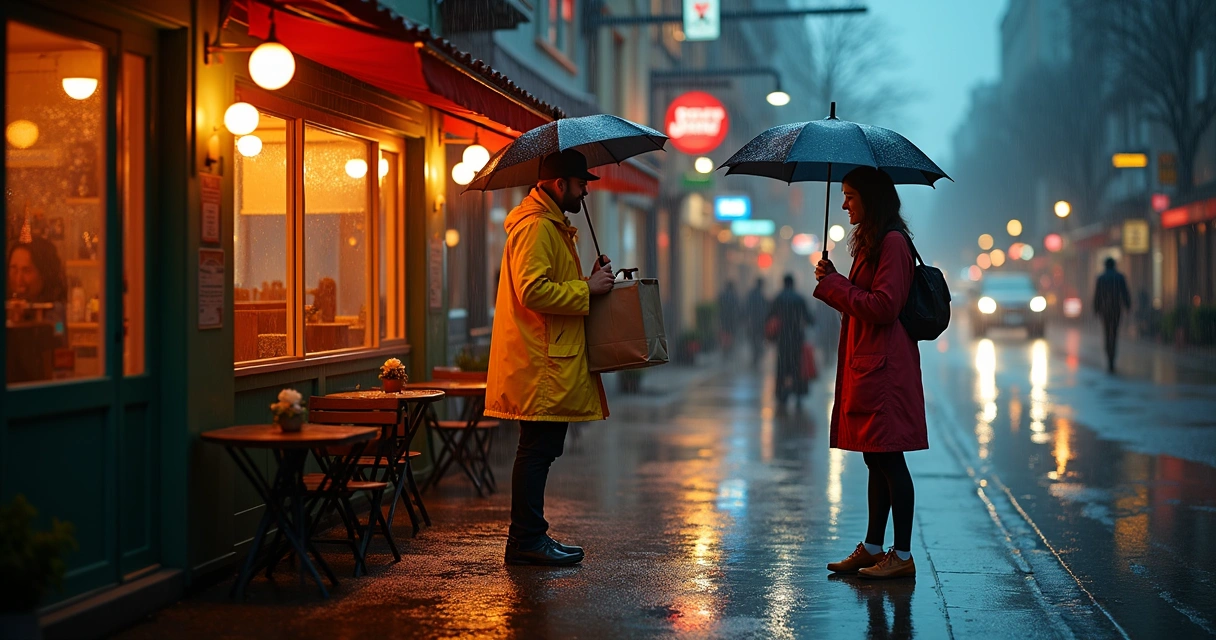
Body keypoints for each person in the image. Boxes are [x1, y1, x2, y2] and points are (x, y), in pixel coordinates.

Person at [484, 149, 616, 567]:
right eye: (581, 186)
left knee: (539, 449)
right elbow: (533, 291)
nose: (584, 194)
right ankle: (525, 539)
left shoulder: (551, 226)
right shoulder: (538, 227)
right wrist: (587, 289)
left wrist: (586, 278)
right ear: (560, 184)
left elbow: (547, 284)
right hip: (539, 363)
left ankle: (529, 536)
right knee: (536, 450)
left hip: (545, 360)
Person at [813, 166, 927, 580]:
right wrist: (836, 283)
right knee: (874, 457)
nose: (843, 204)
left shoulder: (893, 243)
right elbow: (862, 298)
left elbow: (883, 306)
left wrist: (835, 286)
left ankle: (902, 554)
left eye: (851, 196)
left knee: (889, 458)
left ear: (871, 198)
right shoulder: (872, 242)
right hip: (871, 364)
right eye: (842, 195)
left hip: (885, 370)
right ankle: (875, 547)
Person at [6, 238, 68, 383]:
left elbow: (60, 340)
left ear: (43, 274)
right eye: (13, 269)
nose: (18, 279)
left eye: (26, 271)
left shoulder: (54, 311)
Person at [767, 273, 814, 409]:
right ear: (793, 283)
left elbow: (770, 317)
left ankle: (782, 394)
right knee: (797, 366)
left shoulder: (778, 298)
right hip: (796, 338)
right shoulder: (799, 299)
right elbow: (809, 318)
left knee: (782, 367)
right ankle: (798, 392)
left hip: (782, 339)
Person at [1093, 256, 1131, 373]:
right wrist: (1127, 306)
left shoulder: (1101, 278)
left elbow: (1097, 295)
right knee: (1114, 333)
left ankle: (1109, 354)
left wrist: (1096, 308)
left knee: (1106, 332)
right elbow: (1125, 293)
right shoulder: (1120, 277)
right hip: (1116, 309)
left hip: (1105, 310)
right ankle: (1112, 356)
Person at [745, 278, 768, 368]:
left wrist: (747, 318)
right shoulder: (761, 295)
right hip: (759, 321)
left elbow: (747, 307)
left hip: (753, 321)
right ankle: (757, 355)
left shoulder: (752, 294)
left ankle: (756, 355)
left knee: (754, 340)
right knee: (758, 339)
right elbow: (765, 309)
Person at [717, 280, 741, 357]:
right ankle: (729, 348)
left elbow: (719, 306)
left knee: (724, 334)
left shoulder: (722, 295)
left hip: (724, 319)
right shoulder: (734, 296)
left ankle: (725, 348)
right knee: (731, 334)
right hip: (732, 319)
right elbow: (738, 308)